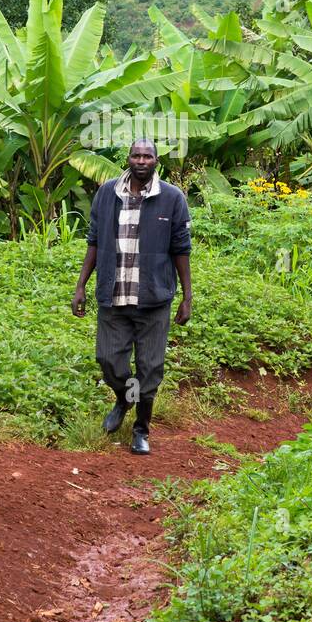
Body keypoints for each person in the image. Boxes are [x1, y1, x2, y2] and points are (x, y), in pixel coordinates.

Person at [71, 139, 192, 455]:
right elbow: (94, 241)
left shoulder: (171, 198)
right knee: (108, 360)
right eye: (136, 155)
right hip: (114, 294)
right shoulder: (108, 193)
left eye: (147, 156)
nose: (141, 161)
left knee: (149, 369)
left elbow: (181, 249)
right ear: (128, 159)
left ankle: (141, 430)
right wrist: (81, 285)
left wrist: (187, 296)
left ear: (156, 160)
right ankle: (125, 397)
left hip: (153, 299)